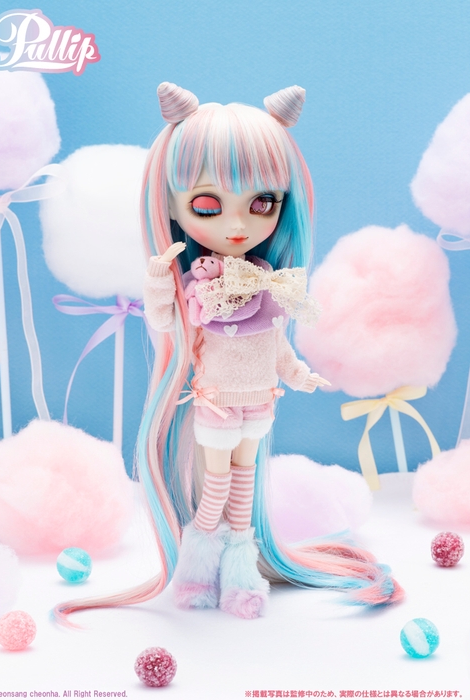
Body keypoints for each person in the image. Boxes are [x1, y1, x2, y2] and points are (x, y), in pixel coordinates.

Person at [55, 82, 402, 625]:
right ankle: (197, 569)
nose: (238, 225)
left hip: (259, 401)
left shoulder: (270, 281)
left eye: (262, 203)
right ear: (172, 207)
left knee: (245, 483)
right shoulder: (201, 287)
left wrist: (299, 374)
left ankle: (242, 573)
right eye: (208, 206)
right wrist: (158, 281)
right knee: (215, 486)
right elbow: (168, 324)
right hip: (216, 401)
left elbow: (275, 343)